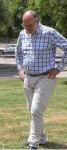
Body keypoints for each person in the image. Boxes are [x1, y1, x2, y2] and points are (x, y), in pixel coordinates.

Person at [15, 10, 67, 149]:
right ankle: (41, 137)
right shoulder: (22, 33)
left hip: (45, 77)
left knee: (36, 110)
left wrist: (59, 68)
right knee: (31, 110)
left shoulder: (49, 32)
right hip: (28, 78)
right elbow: (18, 51)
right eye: (24, 25)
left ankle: (33, 143)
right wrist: (20, 68)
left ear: (37, 21)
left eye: (30, 25)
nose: (27, 29)